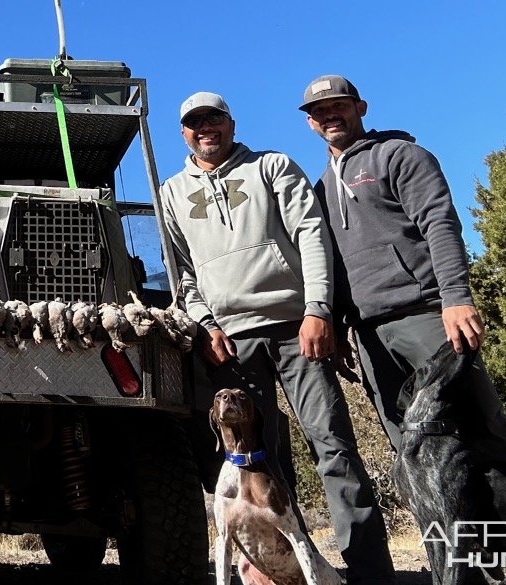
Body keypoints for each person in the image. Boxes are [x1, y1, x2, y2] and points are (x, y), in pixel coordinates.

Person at [299, 74, 506, 578]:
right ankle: (459, 569)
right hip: (370, 335)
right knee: (418, 457)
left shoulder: (401, 157)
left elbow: (439, 222)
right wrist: (341, 325)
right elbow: (336, 265)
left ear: (360, 105)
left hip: (427, 316)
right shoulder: (321, 186)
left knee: (486, 435)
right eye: (319, 111)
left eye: (338, 105)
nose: (329, 116)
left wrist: (455, 299)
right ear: (309, 121)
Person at [160, 91, 396, 585]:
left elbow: (311, 232)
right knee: (257, 461)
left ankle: (370, 571)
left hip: (296, 328)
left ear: (231, 121)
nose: (206, 129)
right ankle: (283, 571)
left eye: (215, 119)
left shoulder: (271, 167)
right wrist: (205, 324)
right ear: (183, 132)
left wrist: (317, 309)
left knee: (332, 445)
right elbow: (179, 274)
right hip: (232, 340)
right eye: (195, 123)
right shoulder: (172, 193)